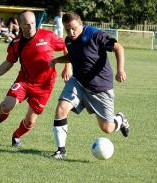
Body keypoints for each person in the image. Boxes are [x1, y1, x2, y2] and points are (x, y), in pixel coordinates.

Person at [0, 10, 72, 147]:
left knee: (30, 121)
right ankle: (2, 116)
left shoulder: (48, 36)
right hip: (24, 81)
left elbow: (67, 47)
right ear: (20, 25)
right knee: (5, 106)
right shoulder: (16, 42)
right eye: (27, 24)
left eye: (33, 23)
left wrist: (67, 67)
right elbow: (8, 63)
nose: (31, 26)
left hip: (44, 86)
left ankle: (16, 136)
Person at [49, 11, 130, 159]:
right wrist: (56, 61)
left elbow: (119, 48)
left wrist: (120, 70)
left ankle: (120, 119)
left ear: (81, 24)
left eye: (74, 28)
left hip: (100, 88)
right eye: (67, 29)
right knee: (61, 108)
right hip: (78, 82)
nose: (71, 32)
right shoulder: (68, 40)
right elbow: (72, 56)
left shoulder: (95, 34)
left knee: (107, 128)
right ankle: (61, 150)